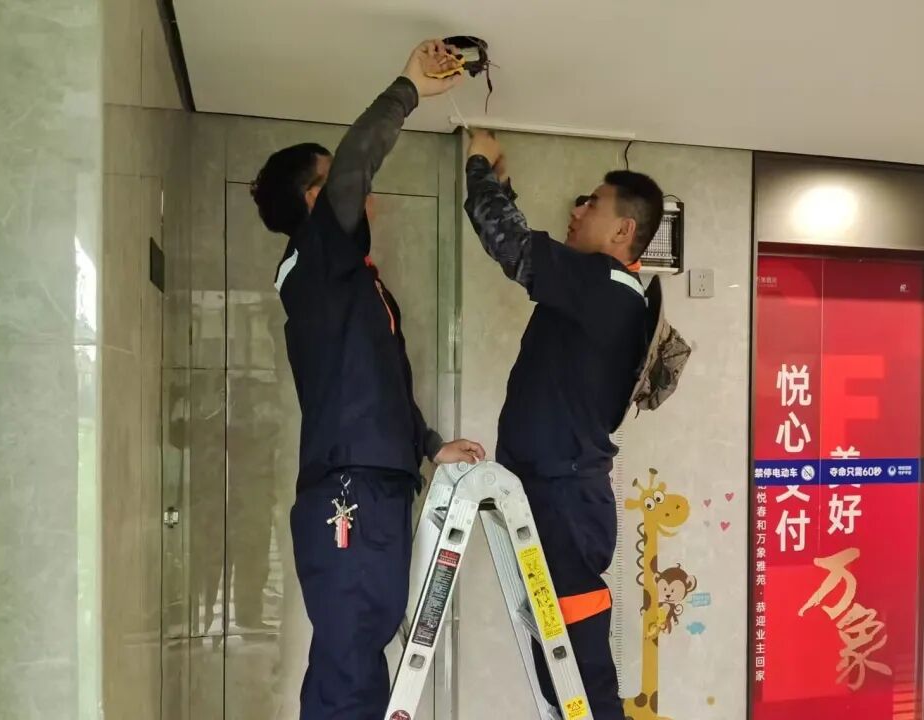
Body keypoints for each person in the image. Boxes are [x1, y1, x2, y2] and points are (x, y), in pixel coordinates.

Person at [251, 40, 485, 720]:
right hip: (349, 491)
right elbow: (357, 161)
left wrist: (430, 445)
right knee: (351, 658)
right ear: (316, 200)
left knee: (362, 650)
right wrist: (408, 88)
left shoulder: (350, 283)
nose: (359, 189)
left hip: (373, 485)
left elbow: (382, 385)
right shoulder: (315, 261)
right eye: (334, 182)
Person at [464, 129, 665, 720]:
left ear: (623, 231)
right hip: (556, 493)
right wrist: (500, 185)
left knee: (582, 677)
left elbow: (510, 244)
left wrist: (478, 164)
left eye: (591, 204)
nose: (577, 212)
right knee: (564, 674)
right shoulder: (600, 290)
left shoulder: (604, 285)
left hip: (564, 498)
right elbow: (519, 241)